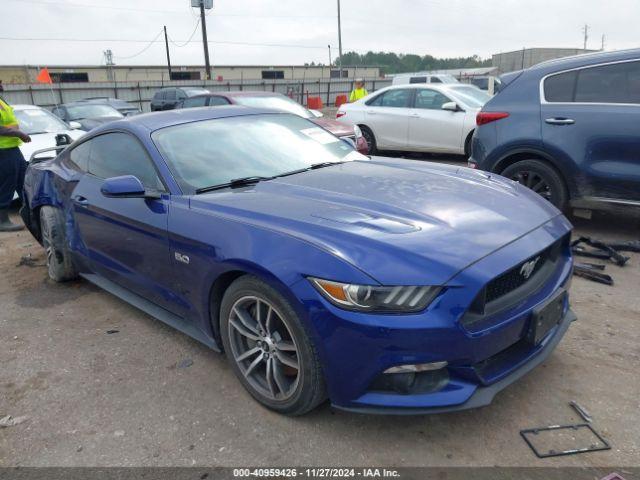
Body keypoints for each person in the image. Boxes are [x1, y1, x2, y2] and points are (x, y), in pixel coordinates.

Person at [0, 96, 31, 232]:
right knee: (7, 185)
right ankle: (2, 221)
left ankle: (32, 214)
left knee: (23, 182)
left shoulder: (1, 100)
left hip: (12, 149)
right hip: (3, 150)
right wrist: (17, 133)